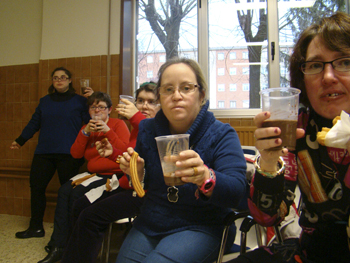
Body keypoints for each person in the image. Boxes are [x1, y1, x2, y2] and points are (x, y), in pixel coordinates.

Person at [229, 12, 350, 263]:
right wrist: (269, 163)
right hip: (310, 253)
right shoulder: (301, 129)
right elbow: (268, 216)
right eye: (315, 65)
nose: (328, 76)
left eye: (344, 62)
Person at [111, 58, 247, 263]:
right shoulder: (148, 130)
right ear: (159, 97)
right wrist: (137, 175)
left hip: (204, 225)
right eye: (167, 89)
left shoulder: (221, 134)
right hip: (150, 222)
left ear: (201, 94)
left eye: (186, 88)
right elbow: (144, 184)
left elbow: (238, 193)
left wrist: (205, 177)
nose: (176, 96)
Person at [61, 82, 160, 263]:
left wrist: (136, 117)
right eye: (140, 101)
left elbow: (151, 156)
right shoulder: (137, 128)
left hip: (144, 192)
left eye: (151, 102)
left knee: (90, 217)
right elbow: (128, 160)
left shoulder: (157, 127)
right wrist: (112, 153)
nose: (145, 106)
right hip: (125, 183)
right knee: (79, 204)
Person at [38, 91, 130, 263]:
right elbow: (75, 154)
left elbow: (125, 151)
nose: (97, 111)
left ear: (109, 110)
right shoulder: (86, 128)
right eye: (93, 107)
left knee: (76, 196)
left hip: (113, 176)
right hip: (92, 174)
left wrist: (108, 131)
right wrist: (85, 133)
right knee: (64, 191)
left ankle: (74, 246)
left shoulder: (118, 124)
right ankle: (58, 245)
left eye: (101, 107)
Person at [11, 67, 92, 239]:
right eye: (55, 78)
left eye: (63, 77)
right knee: (37, 188)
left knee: (68, 193)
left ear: (70, 80)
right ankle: (36, 228)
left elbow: (91, 122)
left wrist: (91, 100)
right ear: (52, 81)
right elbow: (34, 123)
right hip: (44, 153)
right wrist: (20, 140)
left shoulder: (80, 101)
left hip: (69, 154)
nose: (59, 80)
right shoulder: (44, 101)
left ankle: (68, 231)